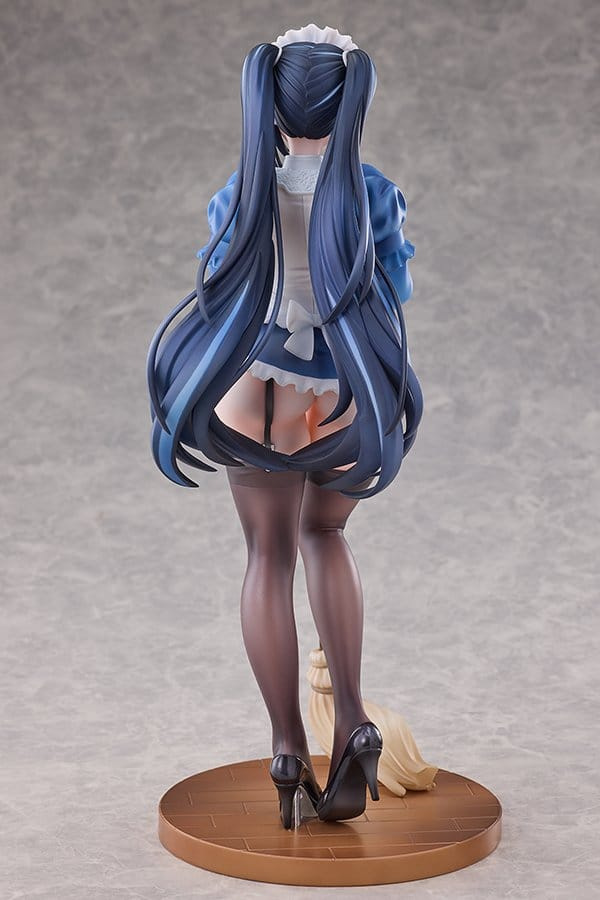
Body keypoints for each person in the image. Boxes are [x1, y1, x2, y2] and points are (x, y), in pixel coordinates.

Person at [146, 24, 423, 829]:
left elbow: (219, 285)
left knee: (267, 557)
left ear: (270, 109)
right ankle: (355, 720)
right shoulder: (372, 193)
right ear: (350, 105)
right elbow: (395, 290)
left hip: (256, 395)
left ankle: (286, 748)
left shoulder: (241, 193)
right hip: (339, 394)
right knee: (325, 537)